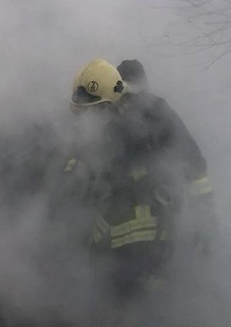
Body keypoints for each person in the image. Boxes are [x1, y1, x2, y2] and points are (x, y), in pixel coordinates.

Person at [59, 58, 215, 304]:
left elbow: (193, 163)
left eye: (95, 108)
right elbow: (78, 159)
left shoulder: (153, 114)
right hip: (110, 230)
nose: (90, 115)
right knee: (112, 293)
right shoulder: (102, 118)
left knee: (142, 298)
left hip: (148, 229)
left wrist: (205, 215)